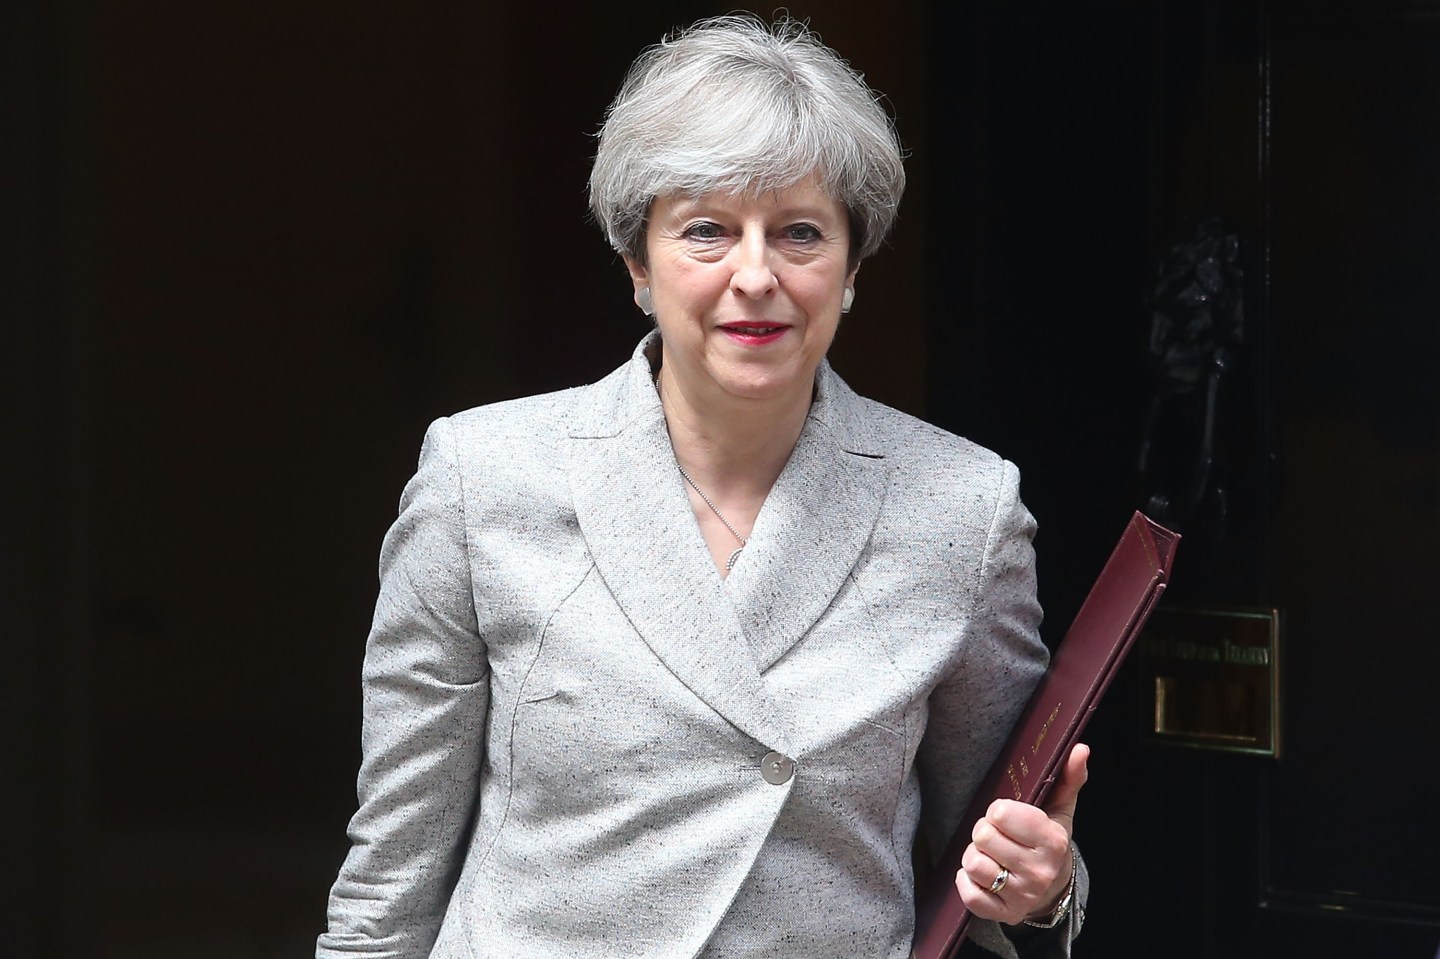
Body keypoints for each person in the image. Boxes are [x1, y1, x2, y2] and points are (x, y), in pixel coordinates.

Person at [317, 15, 1089, 959]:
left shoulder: (963, 513)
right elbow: (391, 872)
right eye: (707, 231)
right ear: (639, 264)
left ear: (852, 267)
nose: (755, 275)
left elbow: (999, 844)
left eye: (801, 232)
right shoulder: (483, 479)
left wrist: (1042, 887)